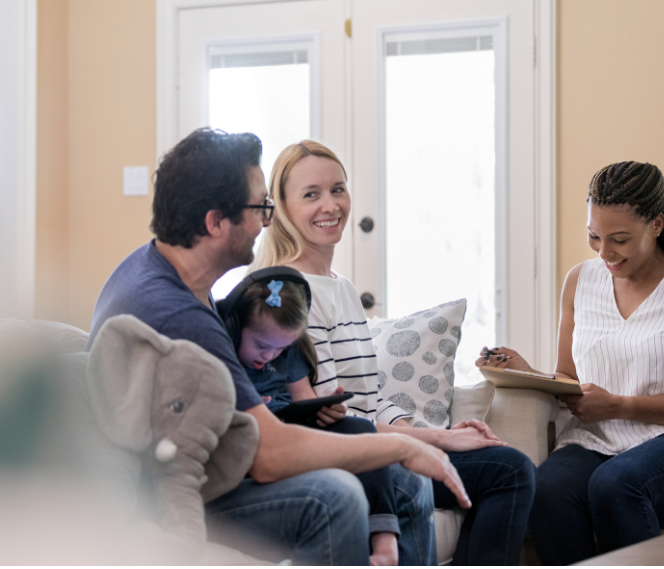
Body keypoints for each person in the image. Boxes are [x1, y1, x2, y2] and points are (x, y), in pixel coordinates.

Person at [87, 128, 470, 566]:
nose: (267, 221)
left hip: (206, 465)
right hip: (177, 493)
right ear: (215, 222)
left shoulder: (162, 271)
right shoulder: (177, 315)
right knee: (335, 497)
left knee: (402, 481)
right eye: (260, 207)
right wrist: (403, 446)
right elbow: (269, 456)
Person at [253, 139, 537, 566]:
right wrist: (438, 438)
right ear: (283, 208)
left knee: (511, 467)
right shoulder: (291, 295)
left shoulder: (342, 287)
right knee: (497, 471)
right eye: (311, 194)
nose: (330, 205)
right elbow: (333, 420)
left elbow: (368, 392)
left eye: (337, 189)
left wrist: (415, 426)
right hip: (346, 454)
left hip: (373, 440)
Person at [479, 161, 664, 564]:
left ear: (656, 224)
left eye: (619, 239)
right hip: (596, 439)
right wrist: (527, 373)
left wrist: (619, 405)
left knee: (616, 484)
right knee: (546, 487)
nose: (605, 253)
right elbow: (570, 376)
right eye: (594, 237)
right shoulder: (580, 281)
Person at [217, 267, 435, 565]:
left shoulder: (284, 350)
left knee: (359, 429)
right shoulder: (221, 348)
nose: (268, 357)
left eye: (279, 350)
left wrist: (324, 410)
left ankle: (384, 538)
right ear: (235, 324)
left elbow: (303, 398)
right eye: (262, 346)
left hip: (291, 426)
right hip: (254, 436)